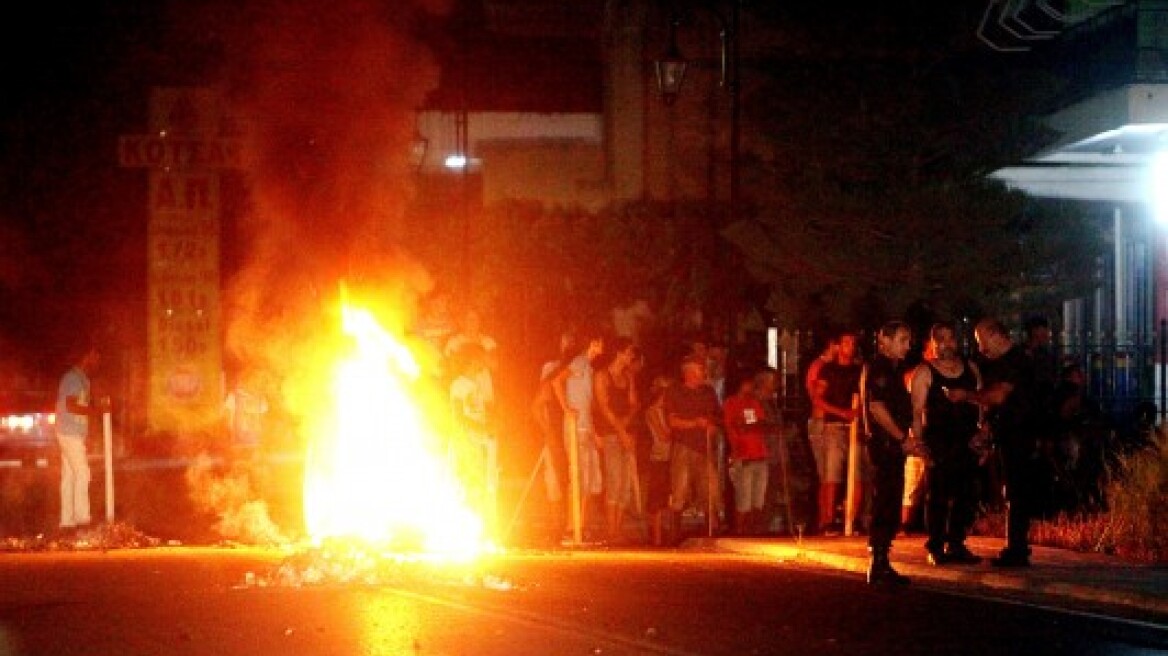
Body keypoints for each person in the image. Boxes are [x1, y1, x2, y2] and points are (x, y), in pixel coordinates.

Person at [948, 318, 1040, 567]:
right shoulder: (1003, 362)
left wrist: (966, 396)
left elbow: (999, 397)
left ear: (996, 335)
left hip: (1020, 434)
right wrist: (988, 427)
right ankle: (1016, 547)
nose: (981, 349)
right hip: (1010, 432)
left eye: (982, 341)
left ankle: (1017, 549)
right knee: (1011, 488)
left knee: (1016, 488)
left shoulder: (1016, 360)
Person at [910, 322, 983, 566]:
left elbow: (981, 402)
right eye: (940, 339)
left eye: (950, 339)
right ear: (932, 343)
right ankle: (936, 544)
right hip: (938, 442)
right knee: (938, 495)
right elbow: (916, 411)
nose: (946, 345)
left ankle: (957, 542)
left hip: (967, 441)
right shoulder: (925, 372)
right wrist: (919, 445)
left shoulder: (970, 369)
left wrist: (982, 435)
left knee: (966, 494)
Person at [860, 321, 913, 585]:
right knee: (885, 499)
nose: (907, 345)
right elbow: (877, 408)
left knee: (891, 499)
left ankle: (883, 561)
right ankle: (878, 561)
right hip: (885, 444)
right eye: (902, 340)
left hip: (893, 443)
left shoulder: (894, 368)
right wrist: (901, 437)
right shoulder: (879, 368)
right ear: (885, 341)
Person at [553, 331, 605, 537]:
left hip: (586, 427)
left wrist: (595, 432)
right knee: (578, 477)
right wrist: (566, 408)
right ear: (592, 343)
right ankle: (571, 526)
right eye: (600, 343)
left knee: (592, 479)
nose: (602, 348)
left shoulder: (589, 368)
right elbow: (557, 381)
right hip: (575, 427)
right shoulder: (580, 361)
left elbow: (588, 404)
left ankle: (580, 525)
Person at [665, 356, 723, 540]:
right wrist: (695, 423)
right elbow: (672, 421)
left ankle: (710, 530)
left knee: (710, 488)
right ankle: (675, 534)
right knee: (680, 488)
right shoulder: (675, 391)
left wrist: (713, 425)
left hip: (704, 447)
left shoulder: (708, 392)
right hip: (684, 445)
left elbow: (718, 416)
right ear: (688, 372)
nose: (703, 374)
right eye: (699, 370)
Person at [810, 330, 862, 534]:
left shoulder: (859, 370)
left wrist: (857, 414)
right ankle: (828, 520)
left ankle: (852, 518)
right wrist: (842, 412)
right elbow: (817, 398)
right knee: (831, 474)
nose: (850, 346)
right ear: (838, 346)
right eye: (846, 342)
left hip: (855, 427)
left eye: (853, 342)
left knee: (857, 473)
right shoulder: (827, 370)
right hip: (833, 426)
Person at [593, 337, 640, 544]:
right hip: (611, 433)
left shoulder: (628, 377)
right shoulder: (602, 376)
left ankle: (617, 529)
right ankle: (611, 530)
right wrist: (621, 430)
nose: (631, 356)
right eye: (629, 352)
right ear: (619, 353)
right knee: (614, 479)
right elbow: (604, 408)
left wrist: (627, 424)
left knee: (625, 483)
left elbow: (634, 404)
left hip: (626, 432)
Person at [56, 344, 101, 534]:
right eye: (95, 356)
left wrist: (87, 433)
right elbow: (71, 406)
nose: (97, 361)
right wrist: (97, 411)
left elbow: (78, 409)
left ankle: (67, 522)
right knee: (83, 472)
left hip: (72, 432)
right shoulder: (72, 378)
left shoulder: (82, 379)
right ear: (87, 355)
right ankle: (83, 519)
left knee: (70, 476)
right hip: (68, 431)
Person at [723, 370, 770, 535]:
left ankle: (753, 531)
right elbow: (734, 426)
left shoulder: (754, 403)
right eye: (748, 383)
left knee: (758, 499)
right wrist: (750, 426)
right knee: (744, 499)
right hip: (743, 456)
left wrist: (749, 426)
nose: (751, 386)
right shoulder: (731, 403)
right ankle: (739, 531)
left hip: (760, 454)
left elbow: (762, 424)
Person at [643, 376, 675, 546]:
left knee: (666, 497)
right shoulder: (652, 412)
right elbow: (663, 435)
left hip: (668, 457)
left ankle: (664, 536)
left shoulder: (665, 412)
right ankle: (656, 538)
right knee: (656, 498)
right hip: (658, 457)